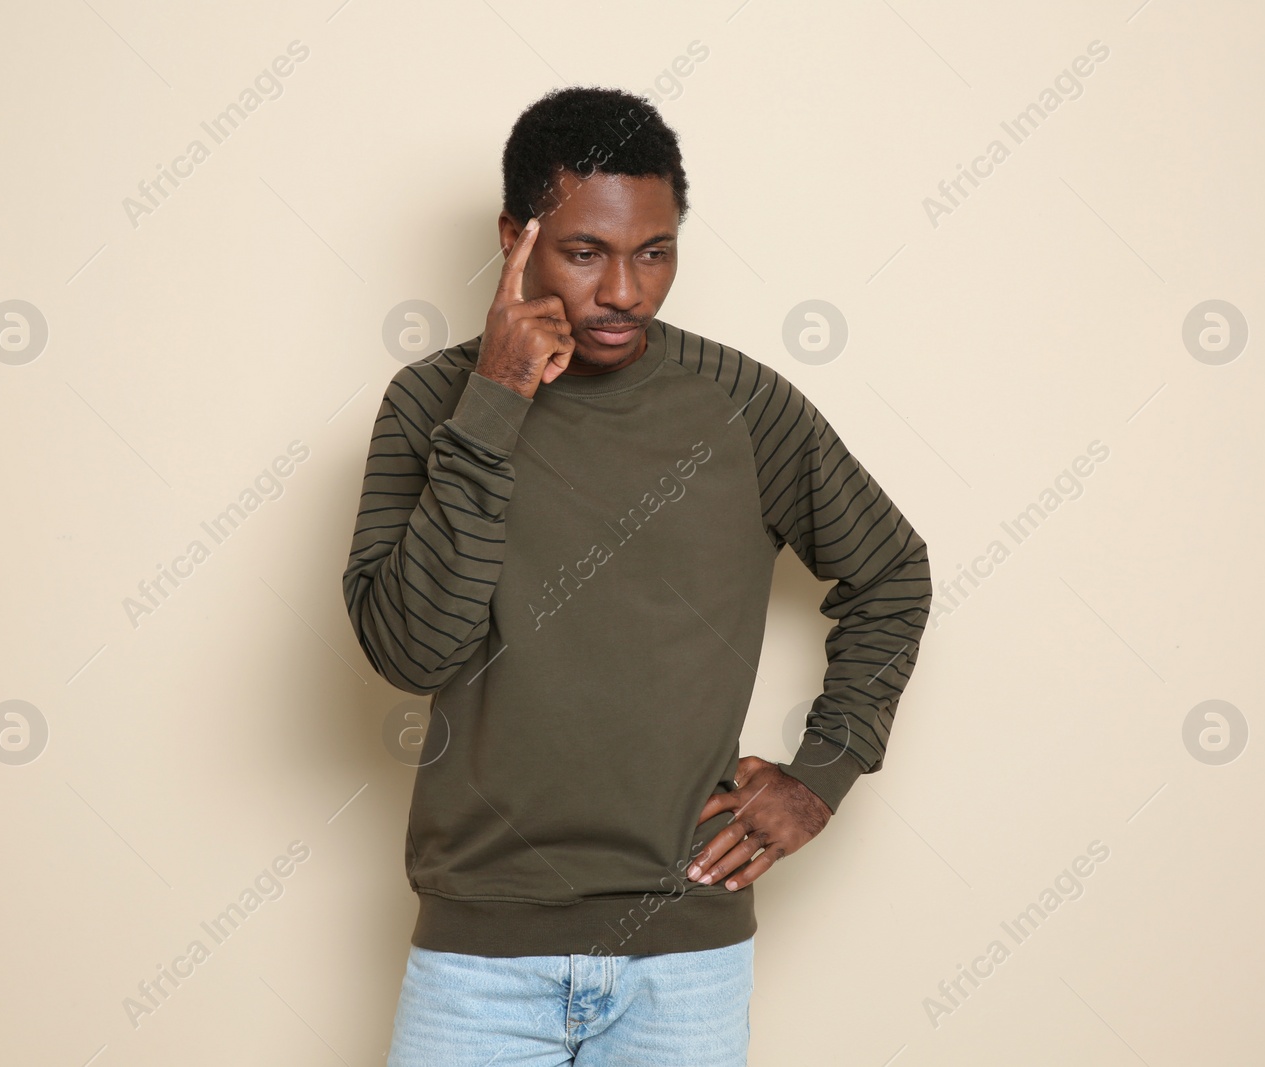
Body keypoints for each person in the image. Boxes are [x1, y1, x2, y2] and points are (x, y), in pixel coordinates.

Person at [344, 85, 932, 1066]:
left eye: (654, 251)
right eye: (586, 251)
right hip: (478, 962)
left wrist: (821, 775)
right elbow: (412, 649)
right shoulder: (432, 404)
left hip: (684, 963)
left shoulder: (740, 406)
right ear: (514, 238)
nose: (625, 289)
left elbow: (891, 573)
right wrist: (494, 400)